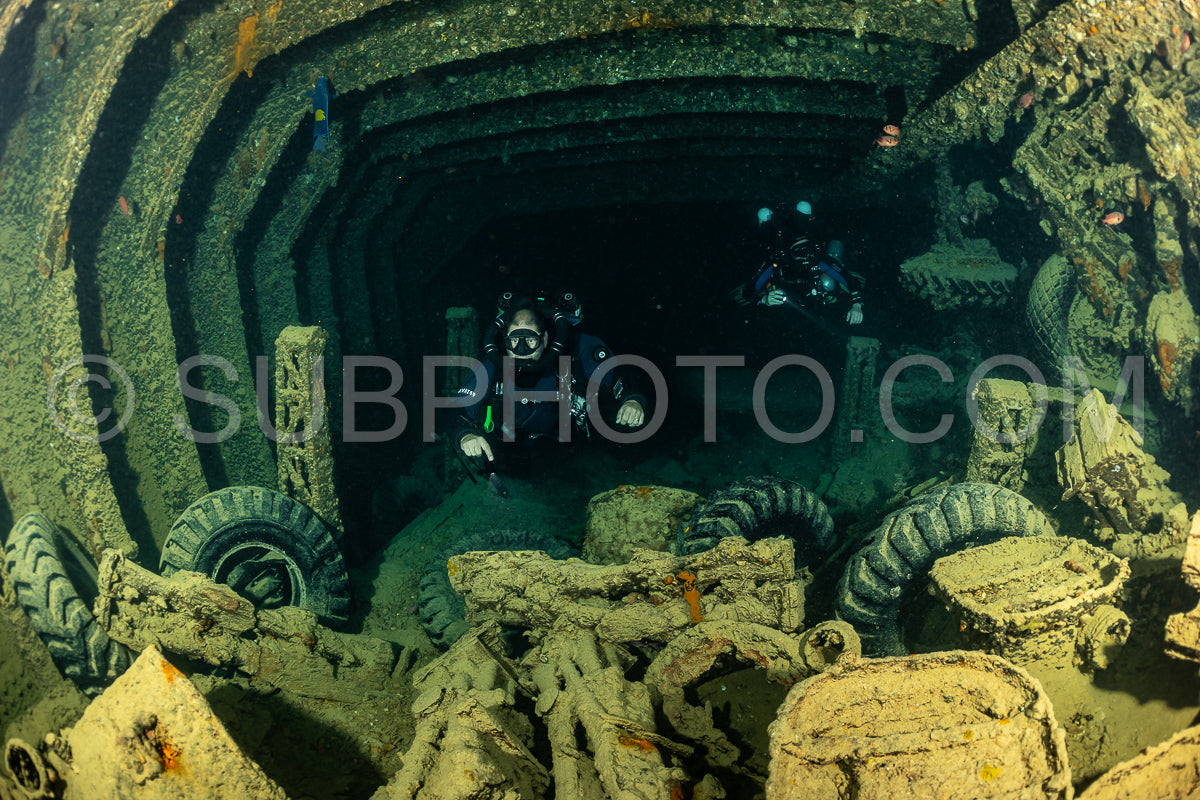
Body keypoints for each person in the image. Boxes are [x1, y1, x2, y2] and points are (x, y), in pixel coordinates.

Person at [450, 292, 647, 463]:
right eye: (514, 341)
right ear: (504, 341)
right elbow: (456, 411)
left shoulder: (578, 352)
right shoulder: (492, 367)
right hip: (509, 460)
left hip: (576, 456)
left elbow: (619, 378)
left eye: (530, 340)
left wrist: (632, 401)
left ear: (544, 338)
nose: (522, 351)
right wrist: (465, 436)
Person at [731, 200, 865, 326]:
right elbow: (748, 292)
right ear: (789, 254)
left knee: (829, 282)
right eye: (799, 252)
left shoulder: (818, 259)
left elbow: (851, 281)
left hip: (814, 295)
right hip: (787, 300)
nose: (806, 257)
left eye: (808, 250)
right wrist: (765, 300)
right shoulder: (776, 262)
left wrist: (856, 305)